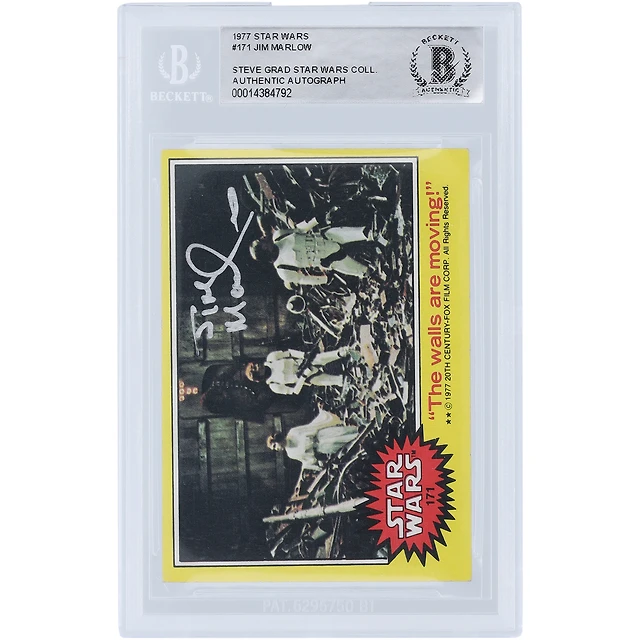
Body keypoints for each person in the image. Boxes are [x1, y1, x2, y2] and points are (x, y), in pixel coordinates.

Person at [249, 224, 374, 287]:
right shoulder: (283, 270)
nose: (263, 237)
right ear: (265, 249)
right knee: (364, 271)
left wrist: (314, 220)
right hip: (330, 259)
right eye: (261, 241)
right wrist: (324, 279)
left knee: (364, 232)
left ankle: (371, 233)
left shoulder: (279, 235)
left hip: (327, 238)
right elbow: (302, 279)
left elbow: (299, 230)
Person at [266, 409, 359, 471]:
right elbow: (307, 460)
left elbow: (310, 429)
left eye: (275, 446)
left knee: (346, 433)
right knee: (347, 445)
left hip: (322, 435)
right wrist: (315, 467)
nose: (276, 449)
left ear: (277, 439)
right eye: (274, 449)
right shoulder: (291, 454)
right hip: (323, 447)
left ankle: (362, 430)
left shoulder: (293, 432)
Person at [247, 347, 351, 395]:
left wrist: (304, 355)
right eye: (255, 369)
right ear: (258, 376)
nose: (257, 365)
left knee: (323, 357)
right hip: (308, 377)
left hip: (305, 362)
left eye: (254, 365)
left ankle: (347, 351)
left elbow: (289, 353)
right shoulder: (274, 385)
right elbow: (294, 391)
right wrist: (304, 376)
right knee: (338, 381)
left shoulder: (272, 358)